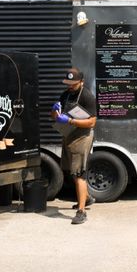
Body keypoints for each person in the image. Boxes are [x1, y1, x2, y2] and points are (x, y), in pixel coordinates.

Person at [51, 67, 97, 224]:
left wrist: (70, 121)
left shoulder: (87, 96)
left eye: (73, 84)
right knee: (71, 171)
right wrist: (54, 112)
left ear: (81, 82)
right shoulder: (65, 95)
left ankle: (82, 212)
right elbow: (56, 117)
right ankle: (87, 198)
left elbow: (92, 122)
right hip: (68, 135)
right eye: (68, 83)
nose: (70, 86)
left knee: (78, 174)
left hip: (82, 137)